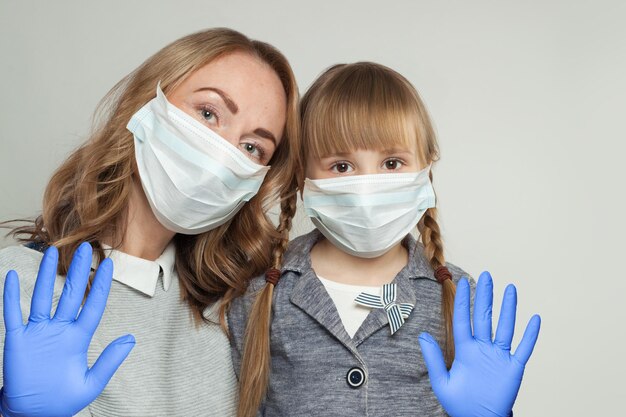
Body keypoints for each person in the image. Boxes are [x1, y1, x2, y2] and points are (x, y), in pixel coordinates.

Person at [0, 27, 300, 417]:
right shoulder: (17, 286)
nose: (223, 153)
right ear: (145, 106)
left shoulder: (235, 312)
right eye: (208, 113)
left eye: (252, 147)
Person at [228, 62, 541, 417]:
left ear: (427, 169)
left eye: (392, 163)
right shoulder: (260, 296)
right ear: (302, 177)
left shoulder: (456, 298)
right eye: (341, 166)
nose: (366, 188)